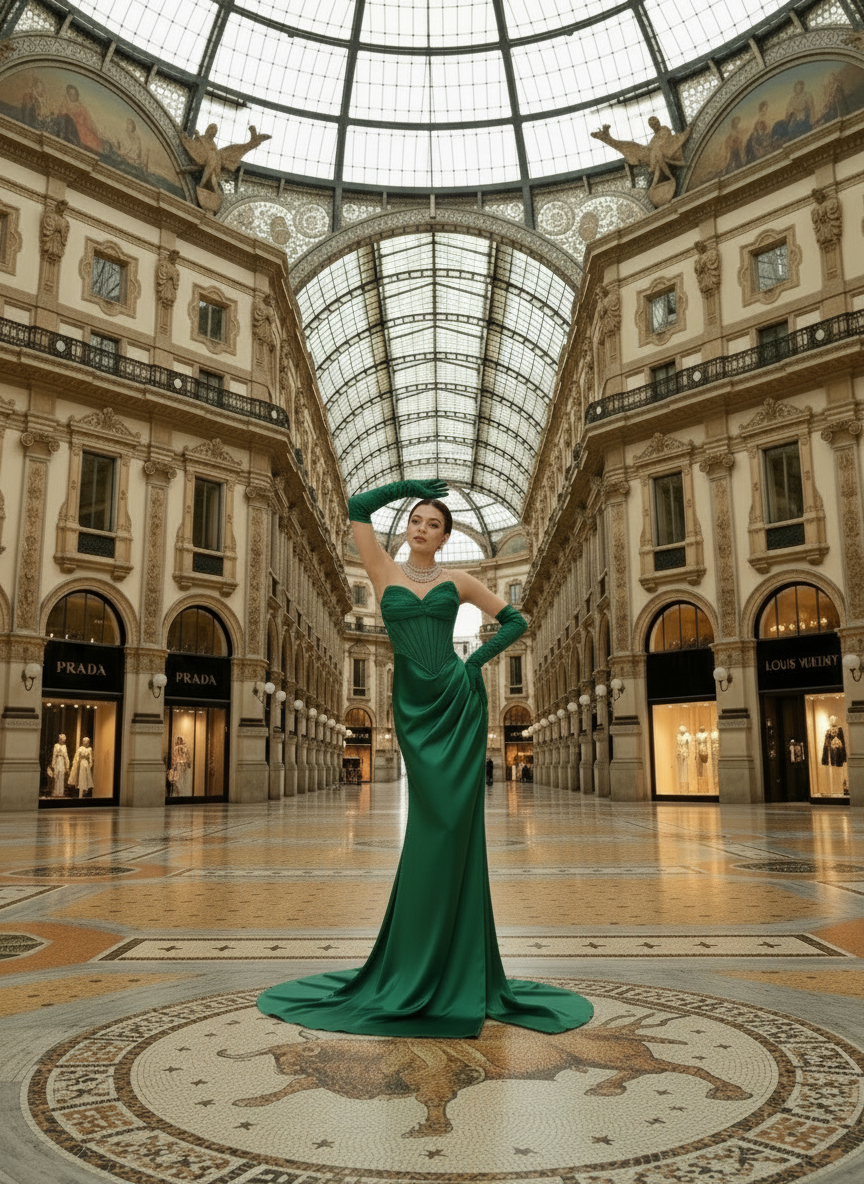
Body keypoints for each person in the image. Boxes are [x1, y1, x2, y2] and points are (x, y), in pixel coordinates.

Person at [258, 478, 593, 1037]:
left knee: (450, 831)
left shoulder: (457, 580)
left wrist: (473, 663)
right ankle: (419, 959)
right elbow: (357, 507)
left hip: (456, 701)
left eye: (433, 524)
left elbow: (517, 620)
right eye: (416, 519)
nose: (421, 528)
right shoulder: (382, 569)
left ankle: (455, 965)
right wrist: (410, 487)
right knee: (427, 828)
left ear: (444, 538)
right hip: (413, 710)